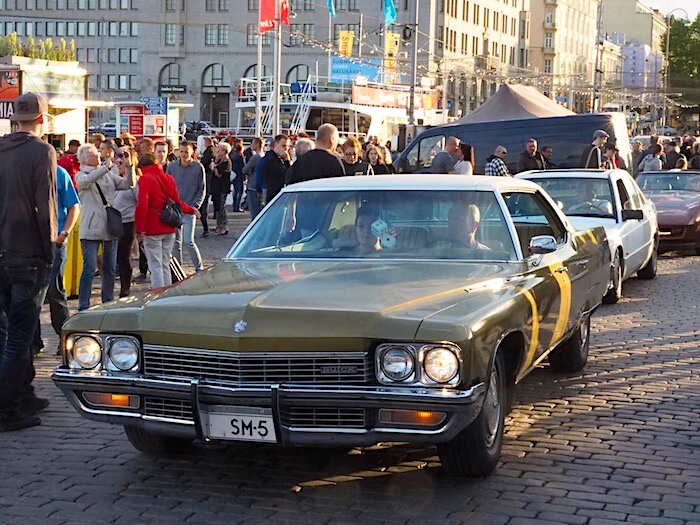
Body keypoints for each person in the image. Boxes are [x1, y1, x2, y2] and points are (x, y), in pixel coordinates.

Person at [0, 92, 57, 431]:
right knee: (20, 336)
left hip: (2, 252)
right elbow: (45, 205)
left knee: (8, 331)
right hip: (28, 254)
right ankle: (7, 408)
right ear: (41, 119)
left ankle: (23, 393)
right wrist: (50, 252)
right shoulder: (42, 151)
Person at [75, 143, 136, 311]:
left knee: (110, 267)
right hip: (91, 226)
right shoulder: (81, 174)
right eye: (93, 154)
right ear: (84, 158)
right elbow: (85, 182)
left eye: (97, 153)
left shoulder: (108, 174)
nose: (97, 156)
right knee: (89, 268)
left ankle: (108, 302)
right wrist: (105, 168)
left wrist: (130, 167)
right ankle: (83, 305)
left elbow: (127, 184)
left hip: (110, 225)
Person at [31, 164, 80, 357]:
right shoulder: (23, 170)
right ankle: (34, 343)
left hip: (54, 241)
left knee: (54, 291)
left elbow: (73, 206)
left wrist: (64, 234)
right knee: (31, 293)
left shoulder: (58, 172)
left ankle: (64, 339)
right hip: (29, 241)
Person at [135, 153, 199, 289]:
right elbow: (177, 202)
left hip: (152, 228)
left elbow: (142, 206)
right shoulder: (168, 178)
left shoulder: (144, 179)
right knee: (164, 263)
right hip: (169, 226)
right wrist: (191, 210)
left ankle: (158, 294)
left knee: (155, 264)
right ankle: (166, 293)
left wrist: (139, 229)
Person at [167, 141, 205, 273]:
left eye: (186, 152)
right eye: (181, 151)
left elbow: (202, 188)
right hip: (175, 208)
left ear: (192, 152)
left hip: (189, 209)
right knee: (175, 243)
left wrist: (195, 206)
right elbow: (167, 186)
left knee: (188, 241)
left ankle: (199, 268)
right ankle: (177, 269)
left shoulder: (198, 167)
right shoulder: (172, 167)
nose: (183, 154)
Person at [113, 148, 140, 298]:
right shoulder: (113, 177)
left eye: (122, 161)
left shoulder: (135, 182)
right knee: (111, 257)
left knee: (124, 257)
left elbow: (139, 201)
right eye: (118, 160)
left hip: (127, 222)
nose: (119, 163)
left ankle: (125, 289)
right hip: (112, 222)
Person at [259, 134, 291, 204]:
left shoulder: (274, 158)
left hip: (275, 193)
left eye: (288, 146)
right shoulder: (271, 160)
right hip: (274, 195)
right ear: (276, 145)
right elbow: (287, 175)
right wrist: (287, 161)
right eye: (283, 146)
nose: (286, 149)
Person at [211, 142, 232, 235]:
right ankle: (219, 225)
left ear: (224, 151)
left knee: (222, 207)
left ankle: (225, 226)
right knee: (217, 207)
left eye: (219, 149)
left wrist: (214, 167)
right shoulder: (220, 160)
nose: (217, 151)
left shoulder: (227, 162)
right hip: (216, 187)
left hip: (222, 187)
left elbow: (219, 174)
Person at [242, 137, 264, 220]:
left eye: (253, 143)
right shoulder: (264, 155)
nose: (251, 145)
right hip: (261, 186)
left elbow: (244, 170)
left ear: (257, 144)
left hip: (252, 186)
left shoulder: (256, 157)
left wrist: (249, 171)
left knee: (254, 212)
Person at [199, 136, 215, 237]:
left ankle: (206, 229)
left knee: (204, 206)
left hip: (207, 177)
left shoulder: (210, 151)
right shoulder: (210, 150)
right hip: (207, 178)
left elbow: (206, 162)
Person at [229, 143, 245, 213]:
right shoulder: (240, 156)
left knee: (235, 190)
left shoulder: (232, 156)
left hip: (234, 174)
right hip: (239, 174)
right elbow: (242, 166)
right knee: (240, 191)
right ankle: (237, 206)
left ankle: (234, 204)